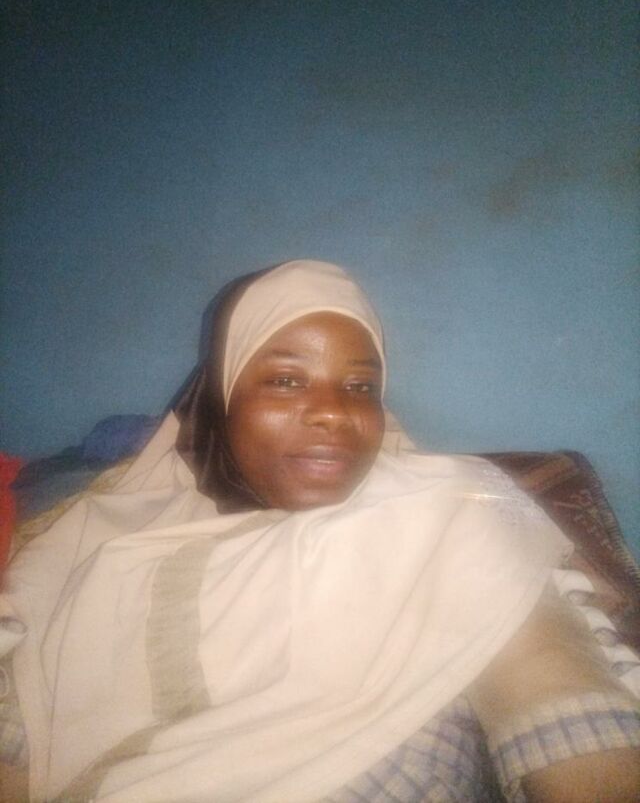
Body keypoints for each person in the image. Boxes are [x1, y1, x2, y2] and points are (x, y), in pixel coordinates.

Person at [2, 260, 639, 802]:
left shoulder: (448, 513)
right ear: (222, 399)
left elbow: (562, 696)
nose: (334, 412)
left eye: (360, 386)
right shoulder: (93, 541)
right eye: (285, 380)